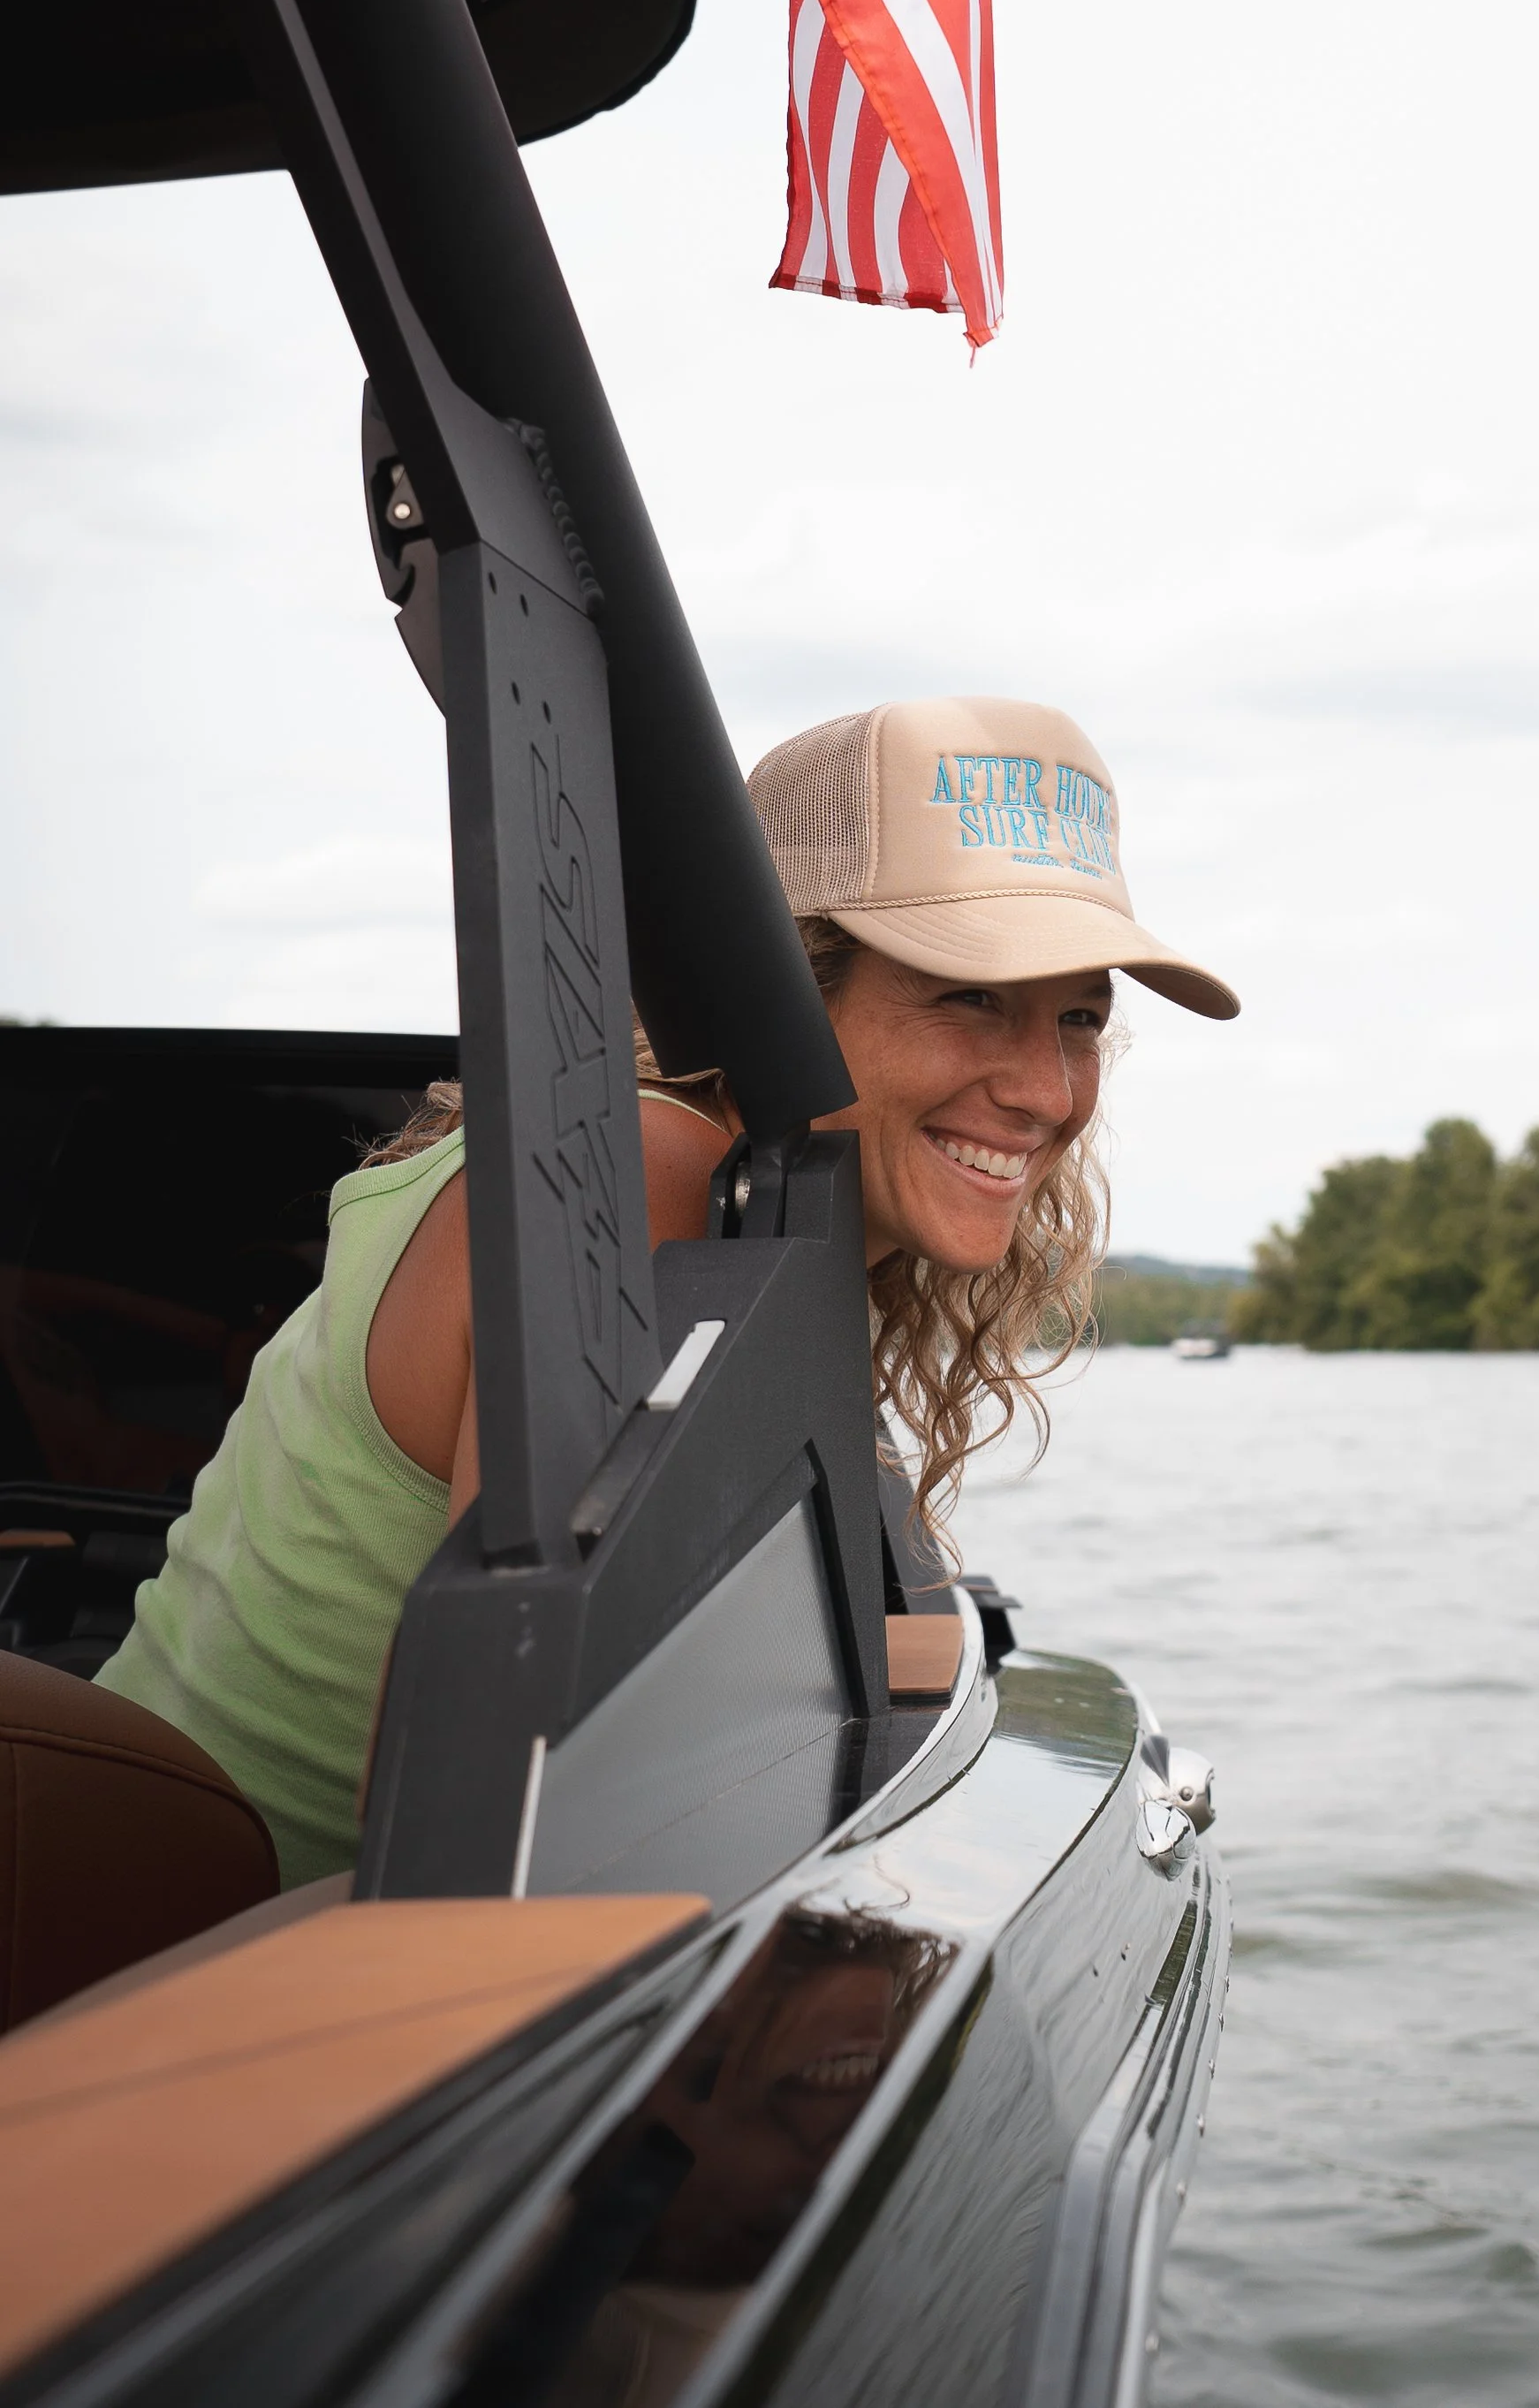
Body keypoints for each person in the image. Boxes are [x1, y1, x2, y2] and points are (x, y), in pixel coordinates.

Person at [95, 696, 1237, 1886]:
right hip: (189, 1937)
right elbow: (507, 1804)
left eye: (1081, 1018)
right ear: (781, 990)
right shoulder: (647, 1181)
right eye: (971, 997)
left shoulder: (728, 1200)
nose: (1048, 1090)